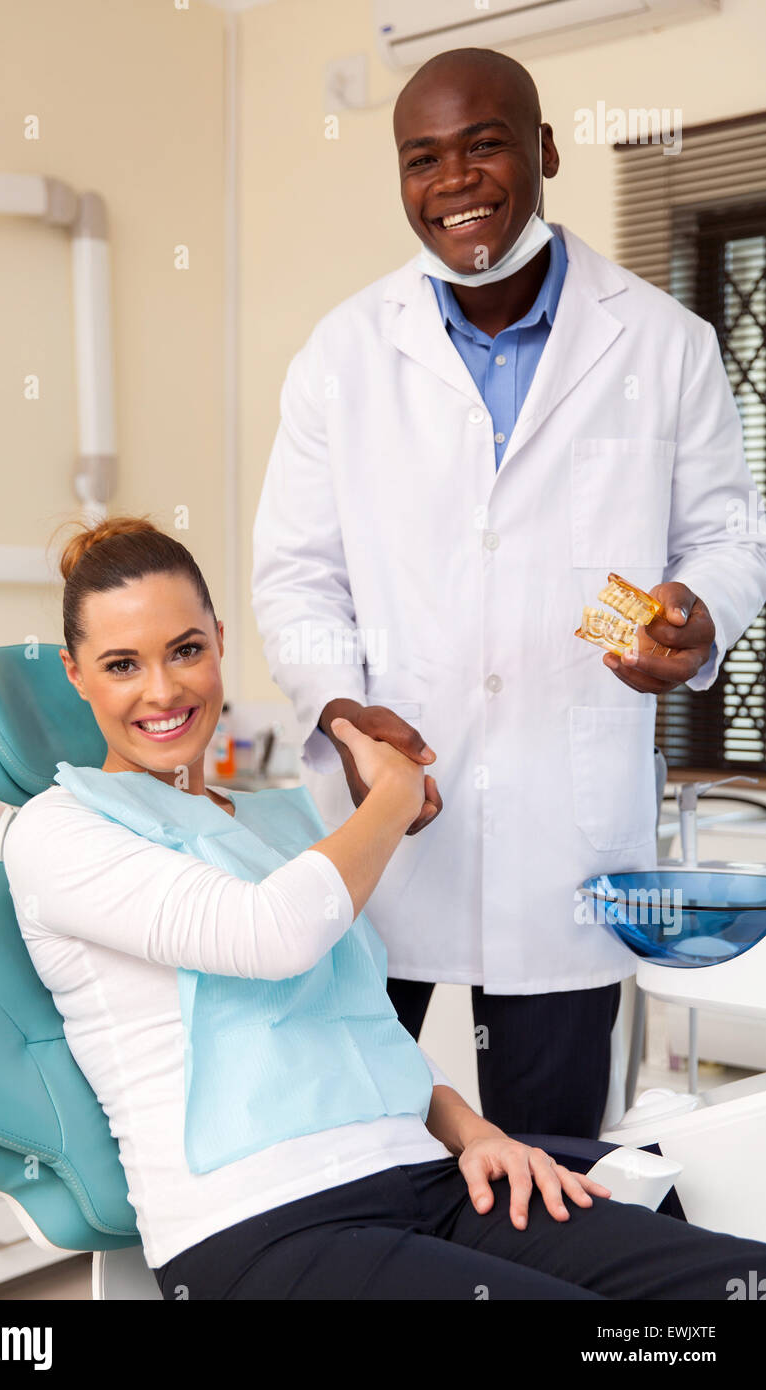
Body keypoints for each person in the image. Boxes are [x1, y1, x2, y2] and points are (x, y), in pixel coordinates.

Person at [2, 516, 766, 1300]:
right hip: (263, 1227)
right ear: (74, 673)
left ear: (219, 642)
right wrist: (393, 794)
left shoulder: (282, 820)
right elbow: (271, 934)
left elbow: (359, 1018)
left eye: (185, 650)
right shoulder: (57, 832)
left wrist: (475, 1132)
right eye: (121, 664)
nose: (162, 691)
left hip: (426, 1180)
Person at [250, 47, 766, 1139]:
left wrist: (698, 612)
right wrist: (340, 714)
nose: (454, 181)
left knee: (555, 1163)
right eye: (420, 158)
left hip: (563, 835)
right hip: (390, 823)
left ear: (541, 151)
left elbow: (726, 534)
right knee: (355, 1145)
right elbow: (297, 573)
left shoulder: (666, 345)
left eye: (482, 145)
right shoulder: (342, 355)